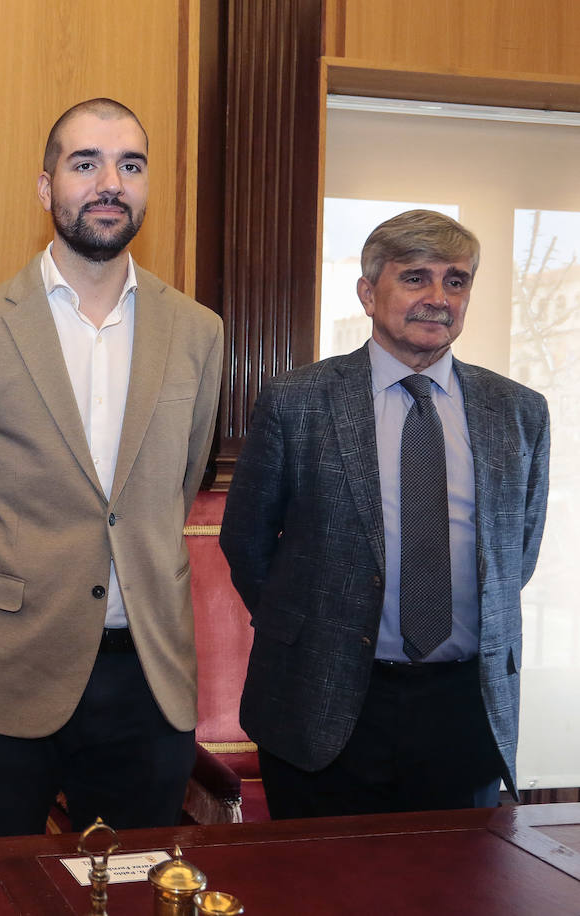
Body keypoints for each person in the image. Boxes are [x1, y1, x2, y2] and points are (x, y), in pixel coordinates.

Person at [0, 98, 224, 837]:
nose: (110, 182)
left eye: (131, 165)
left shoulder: (199, 333)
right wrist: (15, 584)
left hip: (147, 679)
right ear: (46, 187)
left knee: (136, 890)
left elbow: (174, 489)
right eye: (85, 163)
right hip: (5, 673)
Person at [221, 210, 550, 818]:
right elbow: (246, 541)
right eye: (416, 278)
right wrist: (311, 632)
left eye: (456, 281)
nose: (438, 298)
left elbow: (516, 554)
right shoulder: (297, 401)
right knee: (321, 895)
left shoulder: (519, 411)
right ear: (369, 293)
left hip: (463, 708)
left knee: (456, 895)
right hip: (324, 699)